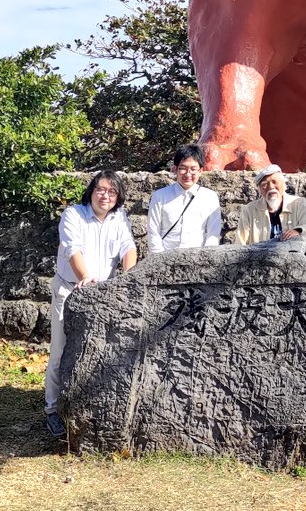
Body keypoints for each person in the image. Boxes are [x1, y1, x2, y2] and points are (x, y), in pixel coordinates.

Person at [44, 170, 137, 438]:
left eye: (111, 192)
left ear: (117, 197)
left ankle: (88, 408)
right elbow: (73, 248)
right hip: (70, 288)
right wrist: (85, 277)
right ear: (91, 191)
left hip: (102, 296)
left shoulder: (118, 217)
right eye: (100, 189)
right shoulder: (73, 214)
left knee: (98, 352)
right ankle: (52, 410)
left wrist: (128, 278)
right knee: (60, 351)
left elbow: (128, 247)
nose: (105, 195)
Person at [147, 144, 221, 253]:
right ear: (175, 169)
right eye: (183, 168)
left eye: (193, 169)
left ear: (200, 171)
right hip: (165, 259)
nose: (188, 174)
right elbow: (153, 231)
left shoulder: (210, 197)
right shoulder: (160, 196)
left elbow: (213, 233)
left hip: (198, 259)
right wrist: (160, 260)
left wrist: (205, 258)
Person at [234, 165, 306, 245]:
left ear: (284, 185)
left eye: (275, 182)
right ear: (260, 190)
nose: (271, 187)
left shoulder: (299, 204)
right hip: (258, 258)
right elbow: (240, 243)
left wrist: (298, 231)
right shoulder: (249, 210)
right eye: (264, 185)